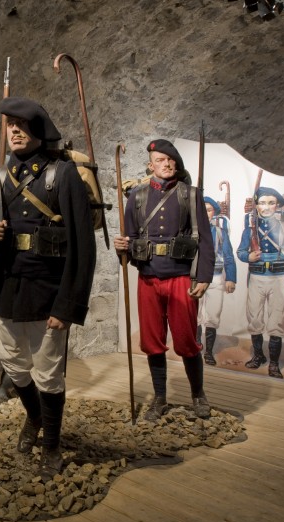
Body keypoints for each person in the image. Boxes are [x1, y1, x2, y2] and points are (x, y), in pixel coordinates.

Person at [0, 97, 96, 481]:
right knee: (13, 366)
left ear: (39, 133)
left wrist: (68, 305)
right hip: (7, 291)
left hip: (48, 292)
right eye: (10, 126)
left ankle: (52, 445)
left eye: (22, 126)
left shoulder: (64, 176)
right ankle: (34, 416)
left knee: (48, 374)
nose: (14, 132)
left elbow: (83, 248)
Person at [114, 139, 215, 421]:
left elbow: (205, 240)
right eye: (160, 160)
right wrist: (122, 248)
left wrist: (204, 276)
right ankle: (159, 397)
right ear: (151, 165)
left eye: (171, 160)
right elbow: (131, 238)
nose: (166, 164)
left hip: (182, 277)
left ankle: (198, 394)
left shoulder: (190, 195)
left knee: (186, 341)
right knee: (152, 341)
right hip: (148, 277)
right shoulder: (138, 197)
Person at [237, 186, 284, 379]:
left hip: (279, 277)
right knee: (255, 318)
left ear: (278, 206)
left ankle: (274, 363)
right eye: (262, 203)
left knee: (277, 320)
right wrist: (248, 256)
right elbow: (240, 252)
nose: (266, 207)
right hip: (257, 277)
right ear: (256, 206)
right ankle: (258, 356)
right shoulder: (250, 229)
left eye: (271, 203)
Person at [197, 196, 237, 365]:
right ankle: (195, 348)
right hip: (195, 278)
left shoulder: (220, 232)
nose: (205, 213)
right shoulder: (189, 230)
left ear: (214, 213)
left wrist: (231, 278)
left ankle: (209, 352)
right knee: (195, 315)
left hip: (215, 276)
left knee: (213, 315)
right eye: (202, 209)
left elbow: (228, 256)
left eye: (209, 209)